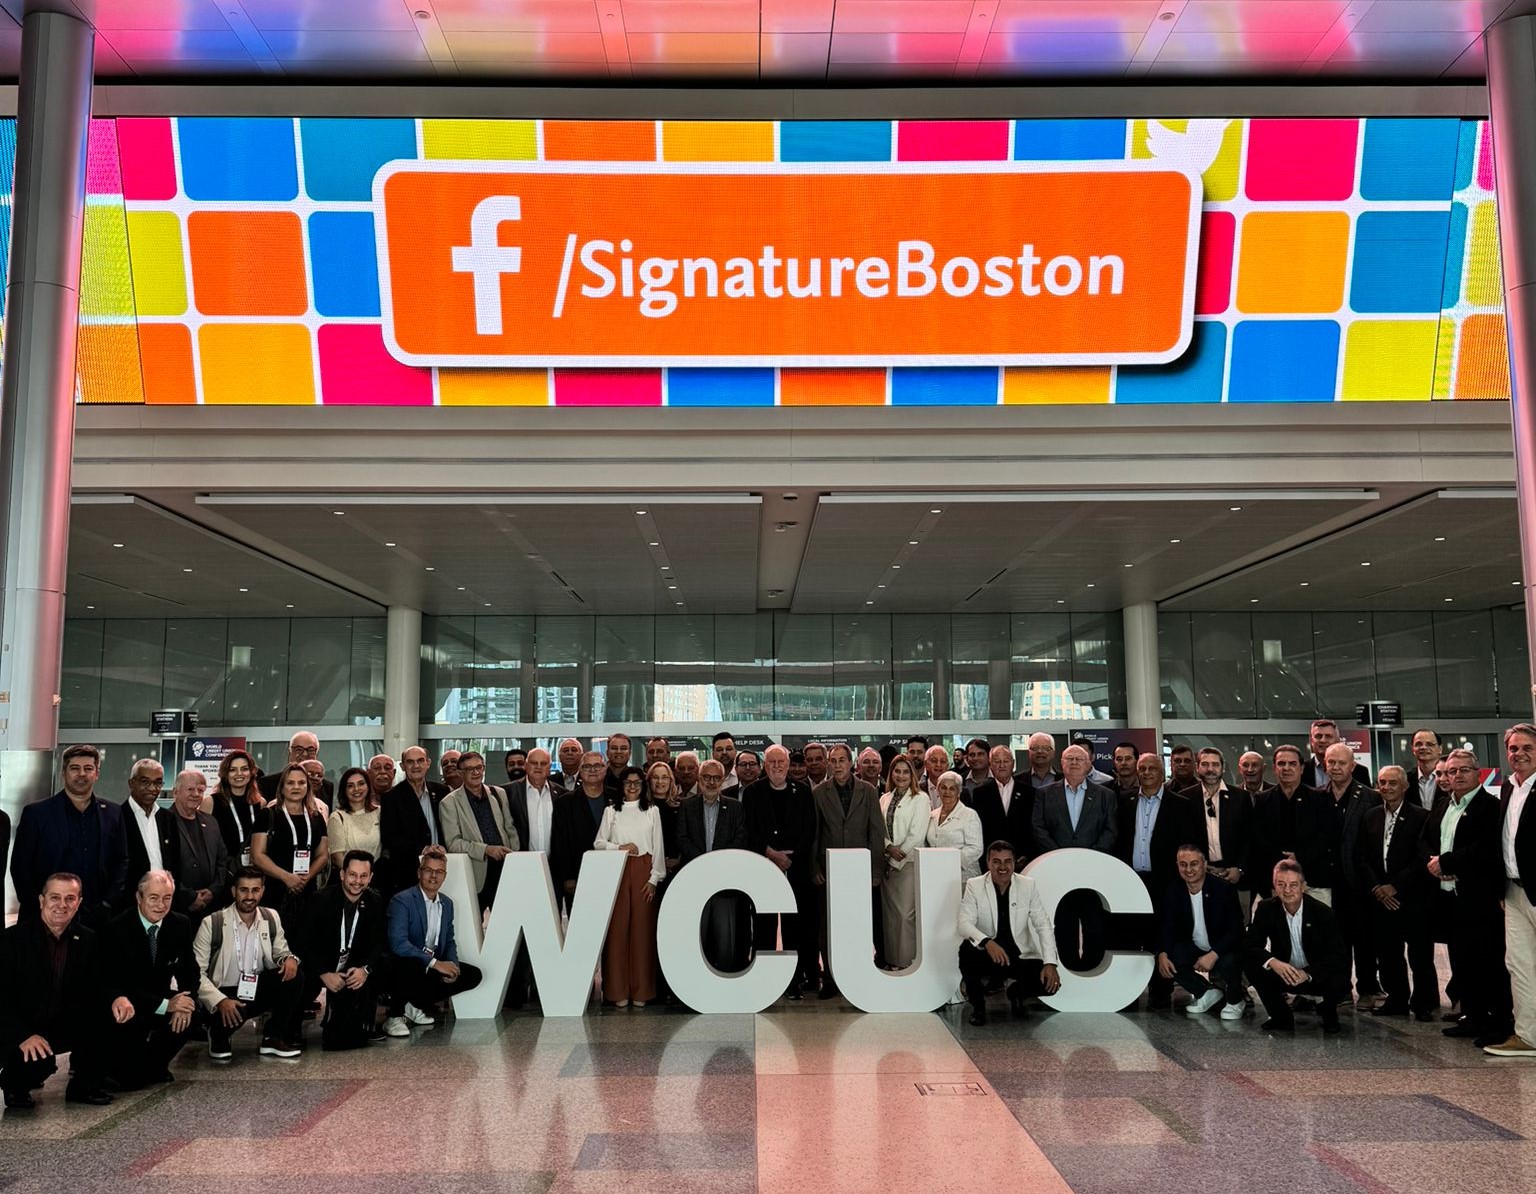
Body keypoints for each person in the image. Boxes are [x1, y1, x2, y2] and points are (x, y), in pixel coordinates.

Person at [0, 873, 112, 1108]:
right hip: (23, 1027)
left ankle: (83, 1087)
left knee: (106, 1019)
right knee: (38, 1061)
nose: (62, 905)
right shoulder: (12, 940)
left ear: (79, 903)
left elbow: (97, 987)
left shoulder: (88, 939)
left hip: (62, 1021)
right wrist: (22, 1035)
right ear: (42, 900)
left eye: (70, 898)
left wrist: (117, 999)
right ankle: (14, 1086)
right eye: (55, 897)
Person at [1428, 748, 1513, 1048]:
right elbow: (1427, 840)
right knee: (1462, 961)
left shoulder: (1490, 806)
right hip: (1449, 898)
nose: (1457, 775)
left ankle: (1499, 1022)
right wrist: (1434, 863)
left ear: (1478, 774)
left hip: (1480, 898)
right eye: (1451, 771)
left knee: (1489, 962)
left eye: (1464, 770)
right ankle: (1473, 1017)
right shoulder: (1443, 805)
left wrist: (1447, 863)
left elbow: (1486, 847)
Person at [1295, 741, 1382, 1005]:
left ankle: (1368, 988)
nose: (1335, 767)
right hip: (1326, 880)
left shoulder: (1370, 797)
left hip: (1358, 880)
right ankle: (1340, 988)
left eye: (1341, 762)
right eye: (1331, 762)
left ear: (1352, 766)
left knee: (1364, 938)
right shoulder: (1316, 796)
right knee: (1335, 939)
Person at [1117, 752, 1202, 1009]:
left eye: (1152, 768)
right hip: (1131, 879)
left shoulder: (1181, 804)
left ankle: (1161, 990)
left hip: (1165, 881)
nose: (1146, 773)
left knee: (1163, 934)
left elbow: (1189, 842)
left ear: (1162, 772)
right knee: (1132, 935)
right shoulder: (1125, 800)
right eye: (1142, 768)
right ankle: (1128, 991)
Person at [98, 870, 198, 1089]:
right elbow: (120, 983)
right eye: (154, 898)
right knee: (130, 1080)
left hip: (159, 996)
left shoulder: (180, 924)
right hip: (127, 1001)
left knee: (193, 1012)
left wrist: (185, 1001)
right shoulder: (116, 928)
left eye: (167, 898)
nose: (161, 905)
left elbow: (190, 971)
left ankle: (153, 1067)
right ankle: (139, 1070)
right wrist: (166, 1005)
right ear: (139, 897)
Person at [194, 867, 305, 1060]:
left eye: (255, 890)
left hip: (254, 988)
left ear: (262, 891)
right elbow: (196, 974)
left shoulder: (270, 917)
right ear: (234, 891)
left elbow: (281, 952)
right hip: (223, 994)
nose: (249, 896)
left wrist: (290, 959)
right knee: (225, 1025)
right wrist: (219, 1000)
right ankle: (217, 1033)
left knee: (295, 976)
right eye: (244, 890)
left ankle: (273, 1037)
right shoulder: (212, 923)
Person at [11, 745, 129, 926]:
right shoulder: (36, 813)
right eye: (75, 768)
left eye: (88, 768)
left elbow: (121, 860)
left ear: (97, 774)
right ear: (63, 773)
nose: (82, 774)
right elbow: (20, 866)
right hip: (47, 916)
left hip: (97, 916)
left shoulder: (113, 813)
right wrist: (38, 906)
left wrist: (108, 903)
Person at [1355, 765, 1436, 1020]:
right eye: (1382, 782)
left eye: (1392, 783)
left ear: (1405, 786)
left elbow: (1422, 858)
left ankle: (1424, 1003)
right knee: (1388, 954)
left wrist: (1396, 886)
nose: (1387, 787)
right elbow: (1362, 857)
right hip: (1380, 898)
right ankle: (1397, 1000)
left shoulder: (1421, 816)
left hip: (1412, 897)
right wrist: (1377, 887)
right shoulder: (1370, 816)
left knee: (1420, 954)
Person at [1032, 743, 1118, 973]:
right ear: (1061, 764)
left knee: (1094, 921)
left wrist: (1090, 857)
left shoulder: (1105, 795)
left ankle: (1091, 967)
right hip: (1057, 870)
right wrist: (1058, 856)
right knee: (1063, 920)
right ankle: (1066, 967)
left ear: (1089, 764)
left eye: (1079, 759)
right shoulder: (1044, 794)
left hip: (1093, 870)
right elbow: (1038, 827)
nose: (1074, 763)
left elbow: (1111, 830)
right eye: (1069, 758)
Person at [957, 841, 1061, 1026]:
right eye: (996, 861)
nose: (1002, 867)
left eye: (1008, 861)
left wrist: (1050, 962)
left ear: (1014, 863)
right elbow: (964, 924)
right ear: (988, 863)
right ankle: (978, 1007)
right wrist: (987, 942)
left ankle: (1016, 994)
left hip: (1018, 953)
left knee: (1050, 984)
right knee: (966, 952)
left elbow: (1043, 925)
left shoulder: (1027, 885)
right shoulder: (975, 885)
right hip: (987, 953)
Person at [383, 846, 482, 1037]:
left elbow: (449, 940)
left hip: (428, 966)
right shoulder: (402, 900)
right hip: (404, 965)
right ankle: (394, 1016)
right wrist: (436, 964)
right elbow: (398, 944)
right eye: (428, 870)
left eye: (439, 872)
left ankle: (412, 1005)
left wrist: (452, 965)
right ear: (419, 872)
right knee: (411, 964)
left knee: (473, 975)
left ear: (445, 876)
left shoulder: (447, 903)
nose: (434, 876)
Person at [743, 744, 818, 998]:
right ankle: (762, 979)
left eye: (781, 762)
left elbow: (810, 829)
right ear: (765, 766)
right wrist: (771, 854)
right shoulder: (753, 792)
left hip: (795, 869)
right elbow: (749, 829)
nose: (777, 767)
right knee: (763, 925)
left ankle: (794, 979)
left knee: (794, 926)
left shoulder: (803, 791)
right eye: (772, 762)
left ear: (788, 765)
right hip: (763, 866)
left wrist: (789, 857)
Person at [811, 744, 885, 999]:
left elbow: (876, 832)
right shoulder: (819, 792)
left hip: (859, 870)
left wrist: (876, 871)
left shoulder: (869, 791)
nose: (838, 765)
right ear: (829, 764)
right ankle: (831, 979)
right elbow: (815, 832)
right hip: (829, 869)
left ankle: (858, 975)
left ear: (851, 762)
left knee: (859, 924)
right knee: (828, 926)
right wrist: (814, 867)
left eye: (842, 760)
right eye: (833, 761)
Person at [1243, 860, 1347, 1033]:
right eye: (1281, 884)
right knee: (1251, 963)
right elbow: (1250, 945)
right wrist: (1273, 962)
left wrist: (1308, 973)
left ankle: (1329, 1014)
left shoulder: (1323, 912)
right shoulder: (1266, 908)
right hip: (1285, 972)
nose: (1287, 890)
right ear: (1274, 886)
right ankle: (1280, 1017)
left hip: (1316, 975)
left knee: (1339, 978)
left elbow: (1338, 956)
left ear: (1303, 886)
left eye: (1293, 885)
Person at [593, 766, 666, 1007]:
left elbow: (658, 846)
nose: (632, 786)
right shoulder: (611, 811)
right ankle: (617, 991)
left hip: (644, 870)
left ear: (643, 786)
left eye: (637, 782)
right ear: (621, 786)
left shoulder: (652, 811)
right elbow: (599, 843)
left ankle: (642, 991)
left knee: (643, 931)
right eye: (628, 782)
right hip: (617, 869)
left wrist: (654, 879)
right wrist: (619, 848)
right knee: (617, 931)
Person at [298, 850, 385, 1050]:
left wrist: (365, 970)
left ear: (370, 877)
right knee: (300, 977)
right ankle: (289, 1027)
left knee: (385, 965)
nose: (358, 881)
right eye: (353, 875)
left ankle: (365, 1023)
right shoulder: (320, 899)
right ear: (342, 874)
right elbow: (302, 943)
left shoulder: (375, 900)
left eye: (363, 876)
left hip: (352, 967)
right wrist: (323, 973)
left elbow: (378, 942)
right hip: (320, 965)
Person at [676, 760, 751, 979]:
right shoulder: (687, 806)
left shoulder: (735, 807)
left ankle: (725, 977)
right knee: (696, 933)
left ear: (722, 780)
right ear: (699, 780)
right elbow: (681, 837)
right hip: (694, 879)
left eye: (716, 778)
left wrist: (717, 863)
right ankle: (696, 979)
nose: (711, 782)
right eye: (707, 777)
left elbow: (741, 838)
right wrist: (703, 863)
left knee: (726, 936)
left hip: (724, 882)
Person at [1488, 722, 1536, 1057]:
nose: (1519, 754)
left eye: (1527, 748)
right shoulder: (1508, 787)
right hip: (1513, 891)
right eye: (1513, 748)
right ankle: (1528, 1036)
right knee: (1519, 965)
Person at [1157, 847, 1247, 1021]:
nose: (1188, 869)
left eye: (1194, 864)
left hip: (1223, 947)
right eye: (1183, 864)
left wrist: (1214, 954)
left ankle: (1235, 1001)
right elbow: (1168, 926)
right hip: (1196, 945)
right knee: (1170, 959)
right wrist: (1163, 953)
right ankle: (1206, 993)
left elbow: (1236, 930)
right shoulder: (1174, 890)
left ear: (1204, 865)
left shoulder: (1224, 889)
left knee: (1230, 961)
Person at [252, 763, 329, 923]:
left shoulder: (316, 817)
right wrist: (287, 877)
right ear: (282, 787)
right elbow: (257, 855)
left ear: (308, 786)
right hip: (274, 891)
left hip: (307, 890)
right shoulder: (268, 815)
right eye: (290, 783)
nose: (296, 787)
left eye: (301, 783)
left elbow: (323, 855)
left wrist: (306, 878)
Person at [439, 751, 518, 908]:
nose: (475, 772)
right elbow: (453, 843)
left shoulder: (498, 793)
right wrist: (486, 850)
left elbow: (510, 829)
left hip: (505, 869)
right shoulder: (449, 803)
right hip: (475, 874)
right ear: (460, 773)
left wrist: (513, 855)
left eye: (479, 767)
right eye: (469, 769)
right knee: (475, 922)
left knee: (507, 917)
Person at [880, 756, 929, 970]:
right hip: (887, 865)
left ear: (913, 775)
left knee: (905, 916)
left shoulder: (921, 799)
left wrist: (896, 855)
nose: (901, 776)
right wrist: (888, 847)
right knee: (890, 917)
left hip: (908, 863)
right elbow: (879, 829)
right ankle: (893, 961)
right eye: (897, 771)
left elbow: (917, 834)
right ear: (891, 773)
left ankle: (907, 963)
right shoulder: (884, 798)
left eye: (906, 772)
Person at [1248, 745, 1317, 900]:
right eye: (1281, 764)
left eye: (1292, 764)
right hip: (1273, 881)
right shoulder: (1262, 800)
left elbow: (1324, 837)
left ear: (1301, 768)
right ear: (1274, 768)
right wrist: (1282, 860)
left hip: (1312, 880)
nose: (1286, 768)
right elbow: (1258, 838)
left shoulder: (1318, 798)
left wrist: (1299, 856)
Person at [162, 769, 229, 920]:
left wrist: (212, 891)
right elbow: (163, 865)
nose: (196, 794)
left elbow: (222, 860)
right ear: (175, 792)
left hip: (210, 907)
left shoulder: (211, 822)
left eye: (200, 790)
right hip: (177, 908)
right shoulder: (163, 822)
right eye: (190, 789)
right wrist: (190, 897)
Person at [1195, 747, 1252, 917]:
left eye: (1215, 764)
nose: (1210, 769)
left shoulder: (1241, 797)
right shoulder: (1186, 798)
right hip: (1200, 876)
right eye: (1205, 764)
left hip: (1234, 877)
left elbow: (1249, 838)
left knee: (1237, 923)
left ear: (1223, 767)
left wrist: (1239, 869)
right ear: (1197, 767)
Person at [379, 746, 444, 895]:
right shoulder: (391, 798)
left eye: (420, 761)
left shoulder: (442, 791)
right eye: (410, 762)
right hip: (408, 873)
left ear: (428, 763)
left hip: (442, 868)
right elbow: (389, 838)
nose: (416, 766)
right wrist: (423, 849)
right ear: (402, 766)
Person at [551, 752, 610, 913]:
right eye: (587, 766)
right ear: (580, 770)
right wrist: (568, 877)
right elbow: (560, 842)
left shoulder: (617, 797)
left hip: (612, 871)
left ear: (605, 769)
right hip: (578, 875)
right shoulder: (565, 802)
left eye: (597, 766)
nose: (592, 770)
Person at [972, 744, 1032, 862]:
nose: (1002, 765)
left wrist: (1027, 854)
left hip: (1021, 858)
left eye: (1006, 761)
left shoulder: (1029, 792)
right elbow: (978, 828)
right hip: (991, 858)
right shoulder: (980, 793)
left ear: (1013, 764)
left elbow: (1032, 827)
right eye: (997, 761)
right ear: (990, 764)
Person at [122, 758, 170, 900]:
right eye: (145, 782)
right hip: (129, 901)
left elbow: (174, 863)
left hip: (165, 900)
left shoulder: (168, 818)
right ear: (131, 783)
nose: (152, 788)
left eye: (158, 782)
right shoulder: (117, 817)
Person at [210, 749, 264, 868]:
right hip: (223, 869)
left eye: (244, 769)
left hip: (254, 870)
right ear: (225, 774)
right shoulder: (211, 802)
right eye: (232, 770)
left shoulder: (260, 803)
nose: (239, 774)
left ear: (251, 772)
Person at [927, 771, 984, 880]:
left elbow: (976, 848)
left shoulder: (969, 815)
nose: (947, 792)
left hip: (963, 876)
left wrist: (950, 862)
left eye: (952, 788)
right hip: (937, 874)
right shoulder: (932, 815)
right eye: (943, 787)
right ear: (938, 790)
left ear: (959, 792)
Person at [326, 767, 381, 873]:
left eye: (361, 784)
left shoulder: (380, 813)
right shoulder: (337, 817)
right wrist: (358, 876)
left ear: (368, 786)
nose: (356, 789)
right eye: (350, 786)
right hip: (351, 879)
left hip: (378, 876)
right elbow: (337, 857)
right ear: (344, 790)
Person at [257, 732, 334, 805]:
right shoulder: (267, 784)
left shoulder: (327, 787)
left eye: (311, 750)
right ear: (290, 752)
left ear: (317, 754)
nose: (305, 754)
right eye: (299, 749)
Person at [1303, 718, 1372, 790]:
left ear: (1338, 740)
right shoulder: (1301, 770)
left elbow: (1366, 796)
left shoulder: (1360, 771)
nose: (1323, 740)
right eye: (1318, 736)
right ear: (1311, 741)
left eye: (1328, 736)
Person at [1408, 728, 1443, 812]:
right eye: (1418, 744)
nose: (1423, 747)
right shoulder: (1405, 780)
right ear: (1413, 749)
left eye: (1429, 744)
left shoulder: (1450, 778)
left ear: (1440, 749)